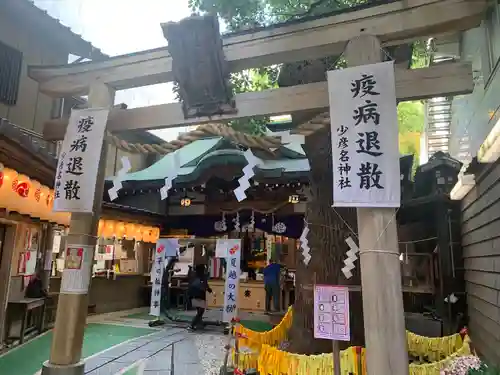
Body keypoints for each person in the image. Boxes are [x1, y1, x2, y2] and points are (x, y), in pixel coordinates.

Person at [187, 264, 212, 331]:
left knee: (199, 310)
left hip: (193, 294)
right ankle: (191, 325)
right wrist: (209, 289)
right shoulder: (202, 276)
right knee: (200, 311)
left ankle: (199, 323)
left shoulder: (193, 275)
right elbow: (205, 285)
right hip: (199, 294)